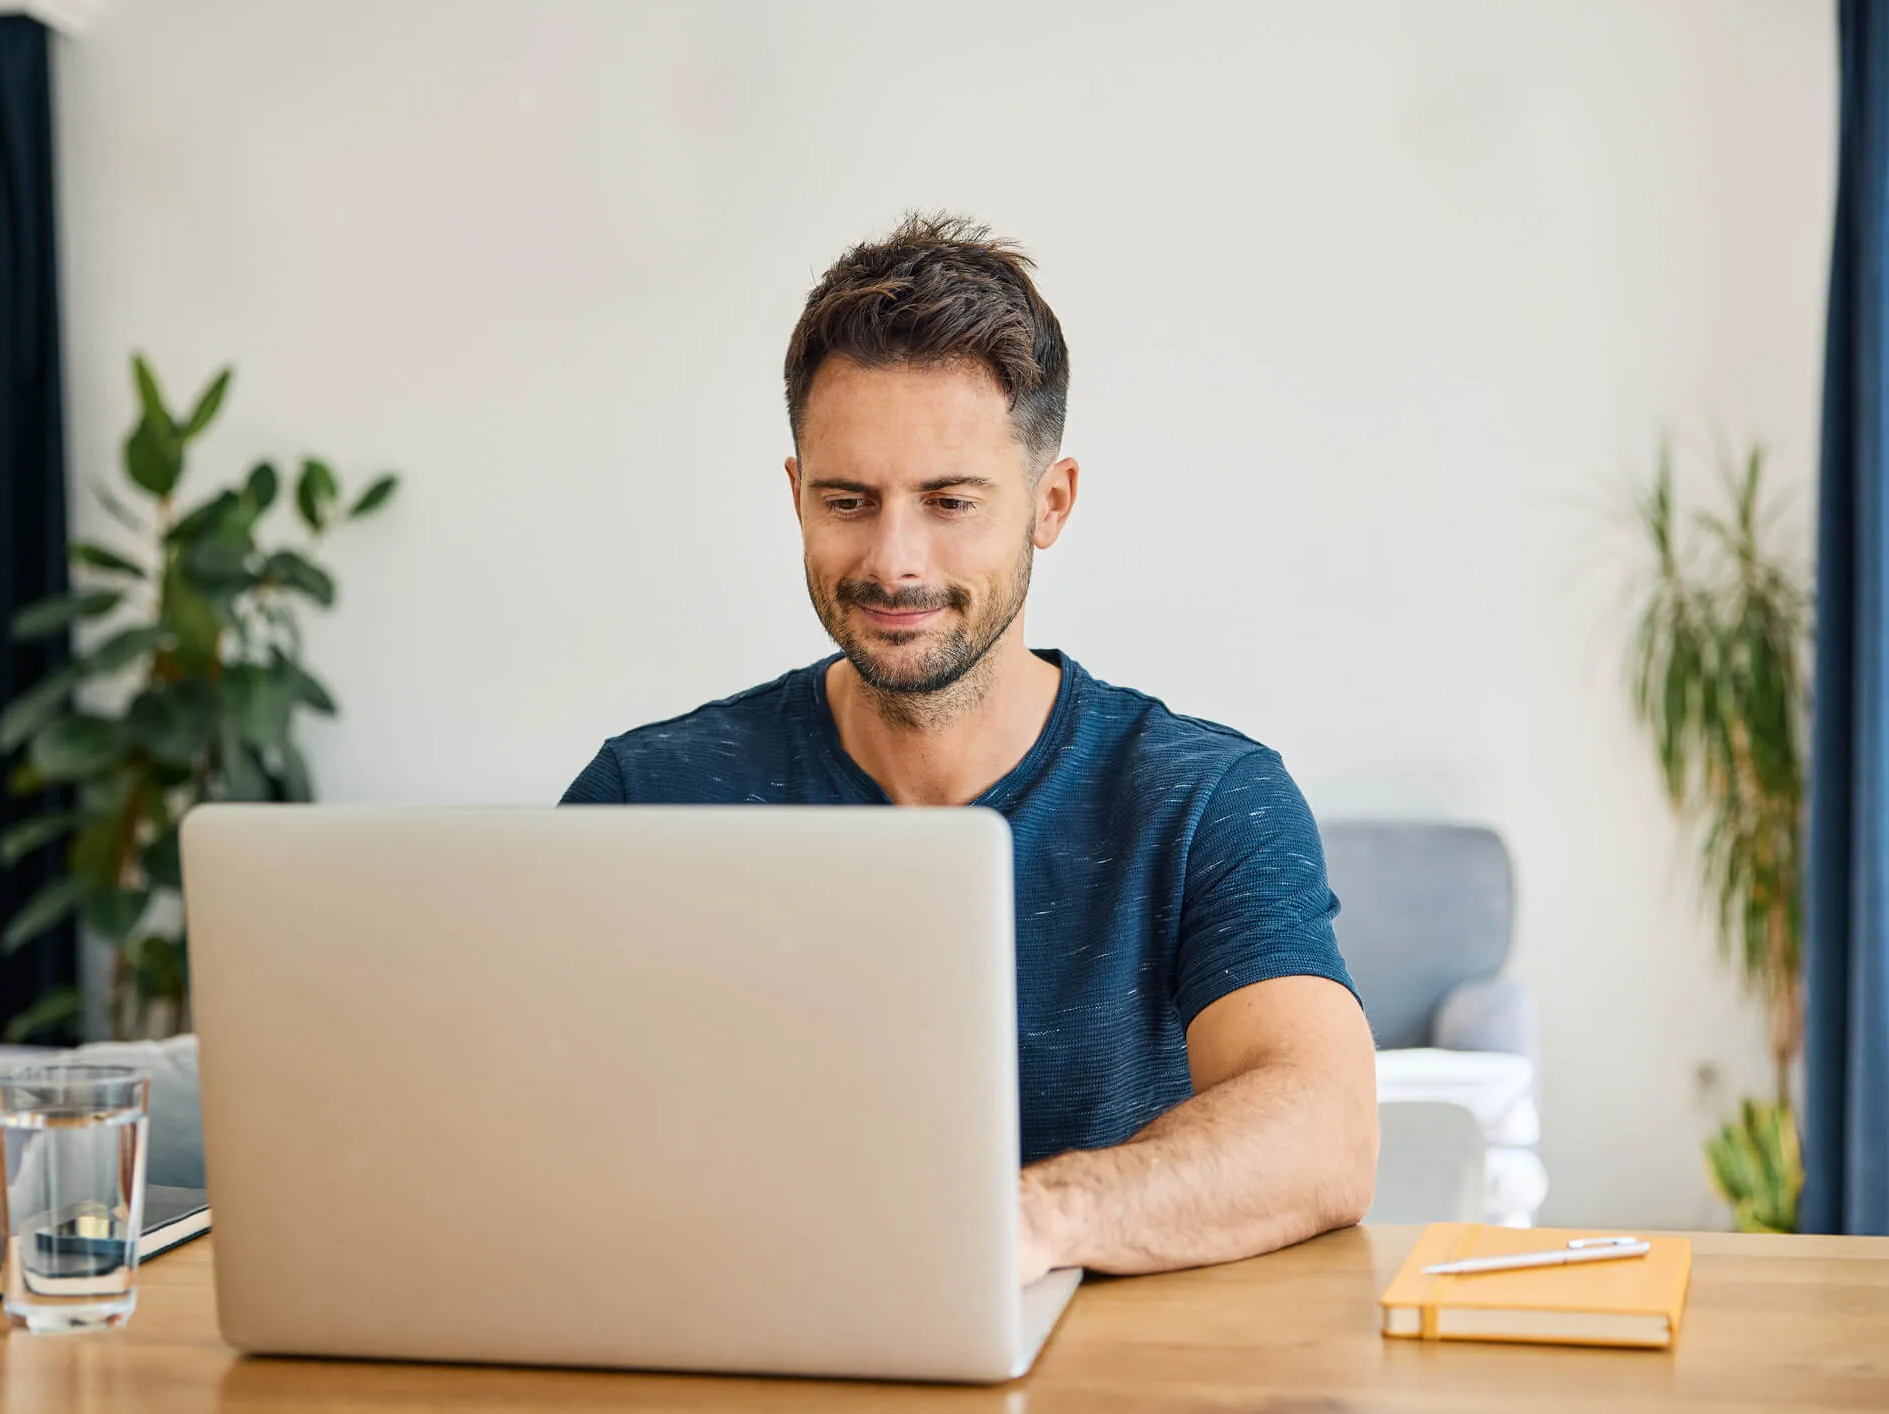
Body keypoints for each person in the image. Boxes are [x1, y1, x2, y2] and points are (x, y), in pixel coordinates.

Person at [562, 214, 1378, 1281]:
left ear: (1049, 503)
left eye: (949, 502)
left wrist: (1034, 1221)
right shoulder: (649, 796)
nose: (893, 561)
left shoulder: (1201, 798)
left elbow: (1323, 1130)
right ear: (794, 494)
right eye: (845, 501)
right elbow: (515, 1112)